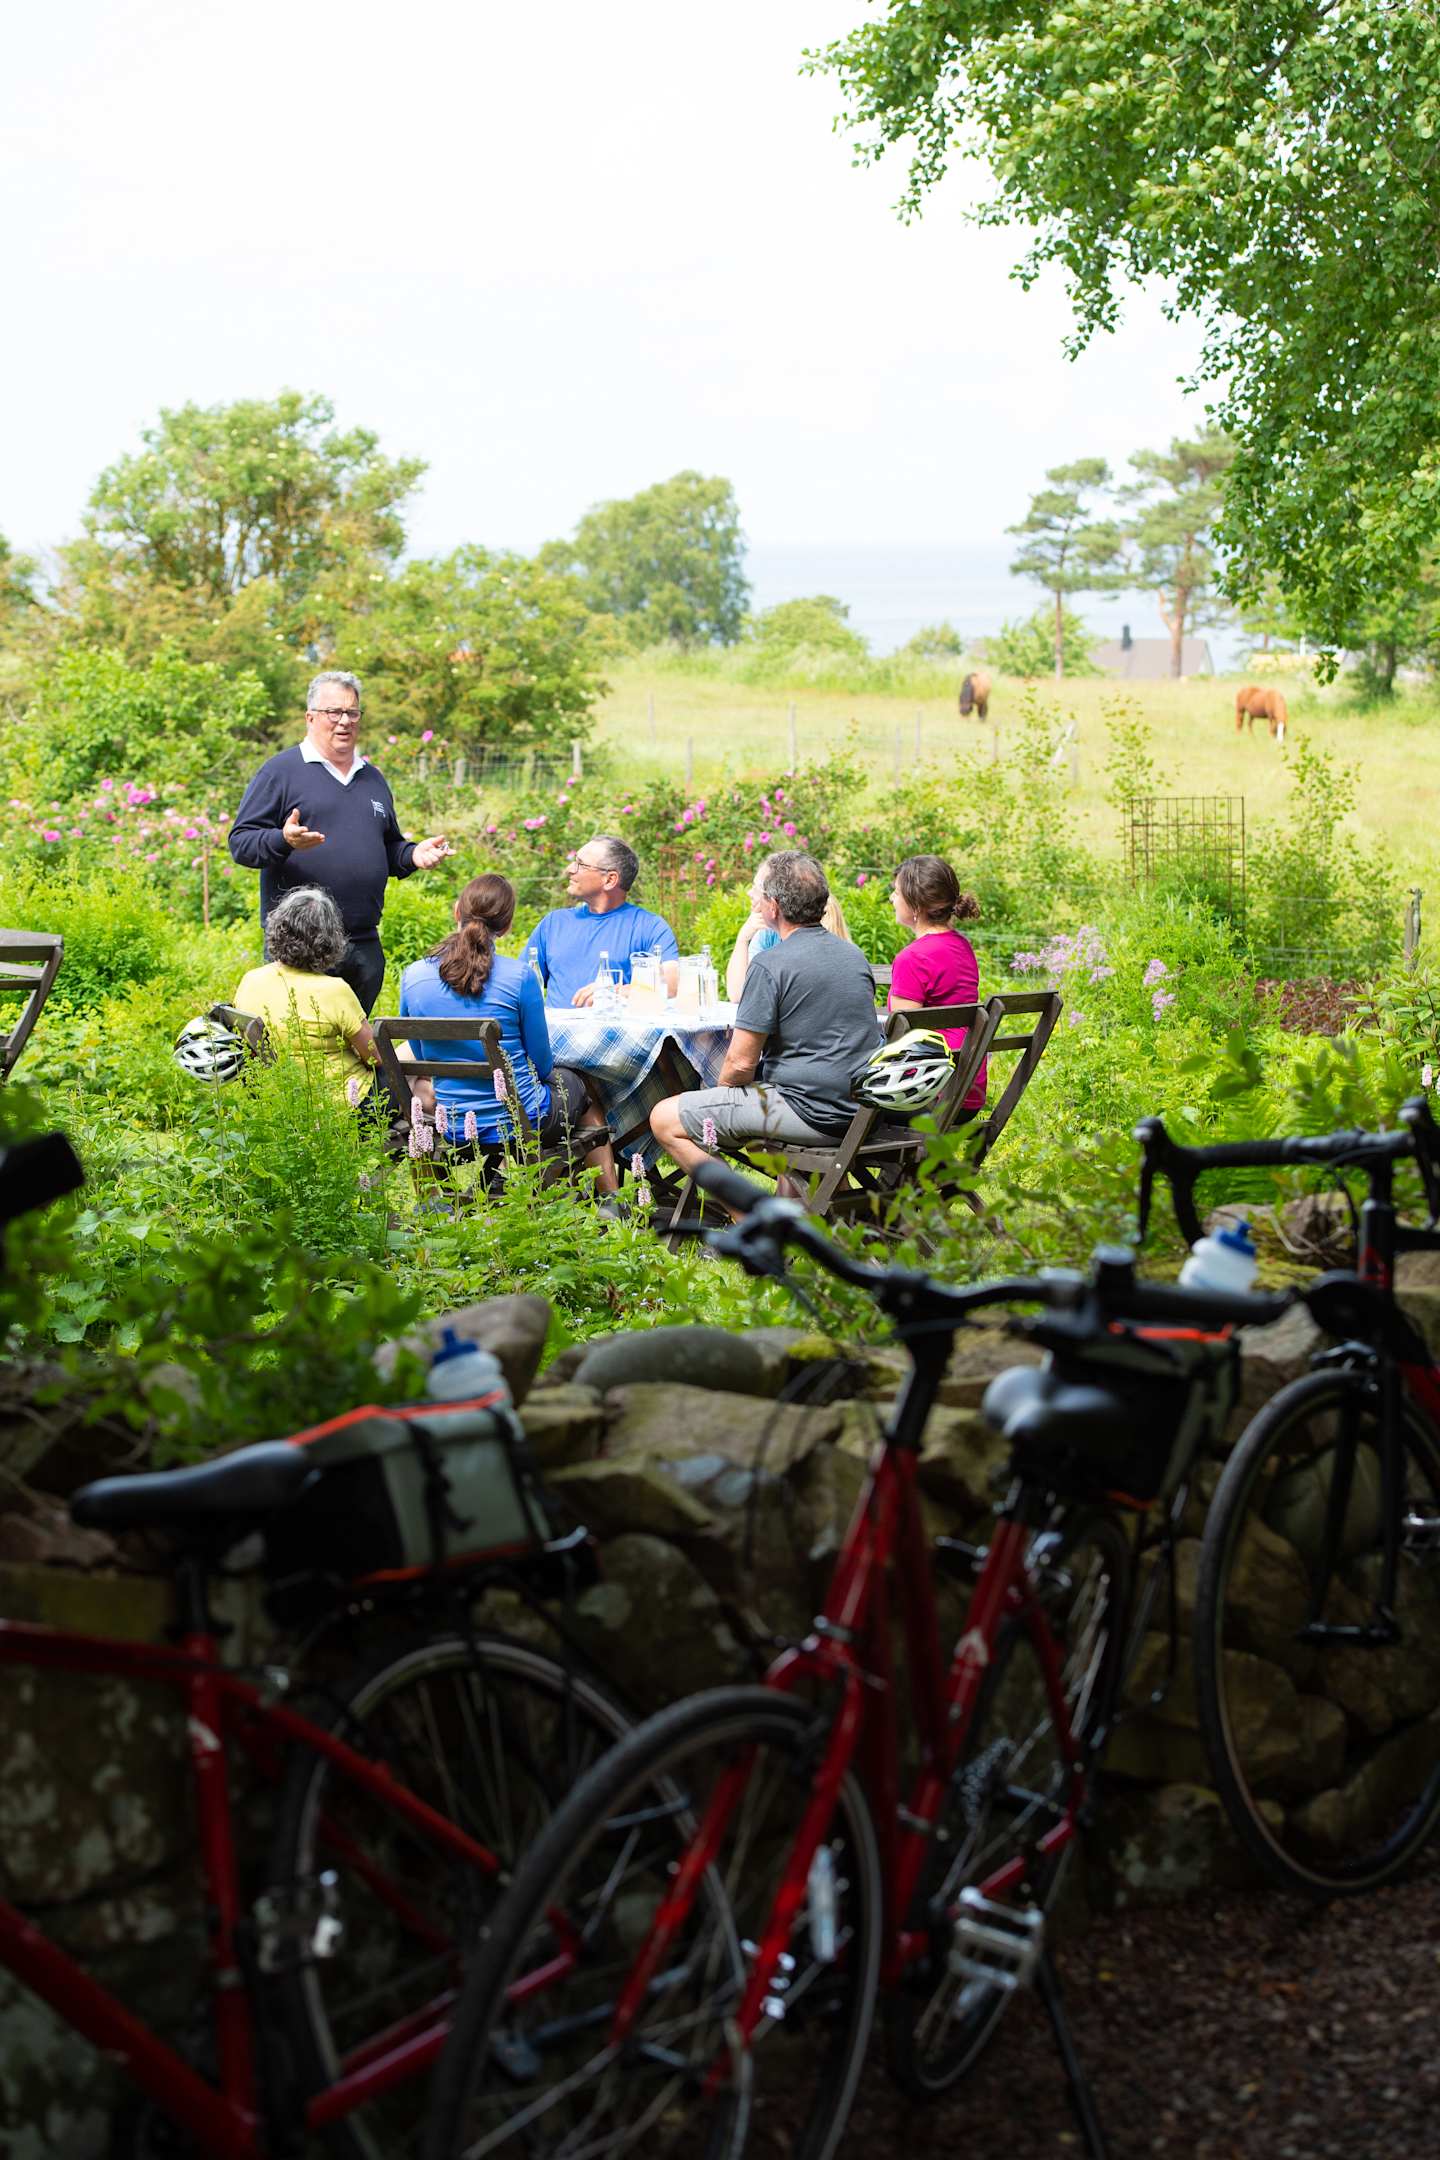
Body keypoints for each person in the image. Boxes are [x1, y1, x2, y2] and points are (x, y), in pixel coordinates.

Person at [650, 852, 881, 1188]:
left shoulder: (771, 964)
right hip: (860, 1109)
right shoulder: (853, 955)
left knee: (664, 1118)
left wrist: (722, 1099)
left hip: (810, 1113)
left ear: (773, 906)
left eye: (756, 890)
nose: (750, 896)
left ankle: (748, 1218)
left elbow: (741, 1063)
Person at [228, 669, 452, 1015]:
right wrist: (283, 839)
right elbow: (241, 843)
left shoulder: (371, 778)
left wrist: (413, 854)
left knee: (353, 1048)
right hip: (300, 942)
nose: (344, 721)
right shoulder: (281, 772)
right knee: (300, 1049)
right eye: (334, 712)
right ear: (311, 717)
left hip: (361, 942)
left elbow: (389, 847)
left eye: (352, 712)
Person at [400, 874, 620, 1193]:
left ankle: (520, 1187)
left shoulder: (414, 975)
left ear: (456, 911)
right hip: (521, 1118)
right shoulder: (519, 977)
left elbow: (423, 1057)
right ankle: (606, 1199)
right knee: (581, 1086)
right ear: (506, 926)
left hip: (454, 1118)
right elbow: (542, 1065)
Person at [233, 885, 389, 1106]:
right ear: (329, 939)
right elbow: (375, 1057)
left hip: (279, 1101)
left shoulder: (251, 980)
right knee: (404, 1074)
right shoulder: (334, 990)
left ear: (278, 928)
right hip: (344, 1104)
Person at [888, 854, 987, 1113]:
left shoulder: (912, 958)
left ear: (917, 905)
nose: (892, 899)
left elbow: (901, 1037)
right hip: (968, 1089)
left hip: (927, 1092)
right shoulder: (962, 946)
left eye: (896, 893)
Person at [530, 836, 679, 1008]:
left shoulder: (649, 927)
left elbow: (672, 983)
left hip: (620, 1035)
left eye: (581, 864)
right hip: (556, 1035)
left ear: (609, 880)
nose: (570, 869)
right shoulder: (553, 923)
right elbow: (522, 982)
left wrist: (613, 992)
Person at [725, 859, 852, 1000]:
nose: (749, 893)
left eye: (756, 888)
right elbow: (738, 994)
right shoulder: (767, 933)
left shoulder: (823, 921)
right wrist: (742, 938)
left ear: (773, 901)